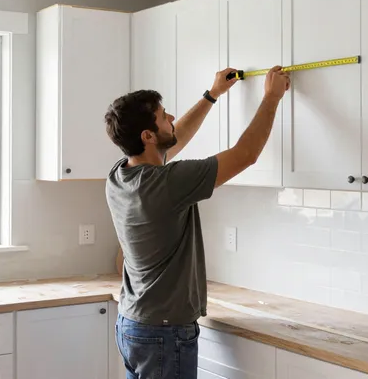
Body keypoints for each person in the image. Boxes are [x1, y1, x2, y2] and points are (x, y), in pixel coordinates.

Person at [104, 65, 291, 379]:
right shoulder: (165, 184)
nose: (172, 118)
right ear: (147, 135)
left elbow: (172, 143)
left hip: (133, 324)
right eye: (165, 116)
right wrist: (271, 98)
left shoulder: (121, 174)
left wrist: (212, 95)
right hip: (164, 332)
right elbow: (245, 154)